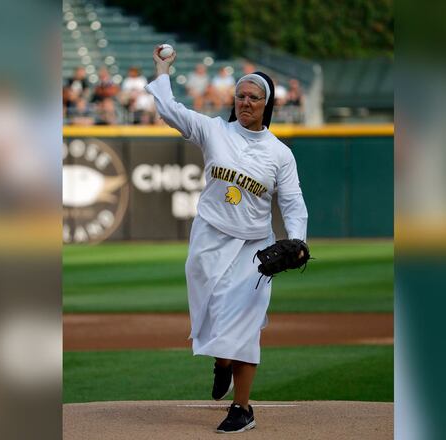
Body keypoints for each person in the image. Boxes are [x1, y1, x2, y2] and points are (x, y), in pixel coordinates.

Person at [146, 45, 308, 434]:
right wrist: (162, 70)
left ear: (267, 104)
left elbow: (292, 201)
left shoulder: (279, 154)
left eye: (254, 97)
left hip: (254, 248)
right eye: (241, 95)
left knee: (245, 325)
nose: (246, 101)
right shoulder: (214, 130)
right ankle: (221, 362)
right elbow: (171, 111)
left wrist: (297, 240)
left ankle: (242, 408)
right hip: (209, 241)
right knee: (211, 319)